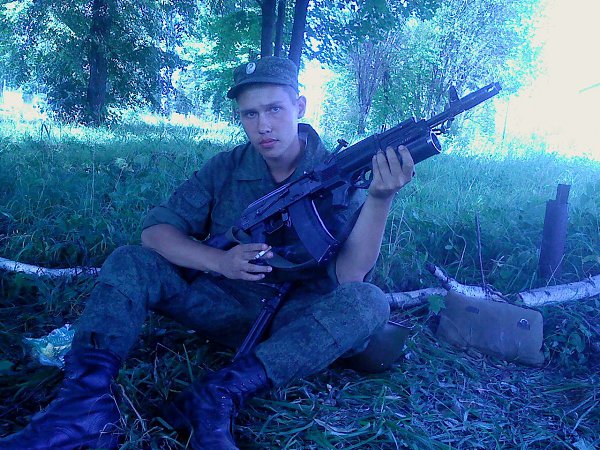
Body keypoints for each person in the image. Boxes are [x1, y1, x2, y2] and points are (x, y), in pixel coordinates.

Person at [0, 56, 414, 450]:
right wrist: (220, 261)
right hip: (218, 301)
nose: (263, 126)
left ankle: (219, 395)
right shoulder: (227, 167)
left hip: (292, 326)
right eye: (250, 114)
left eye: (274, 109)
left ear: (299, 106)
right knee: (129, 260)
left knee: (369, 301)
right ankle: (82, 409)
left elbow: (349, 277)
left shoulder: (339, 172)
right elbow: (156, 232)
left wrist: (380, 197)